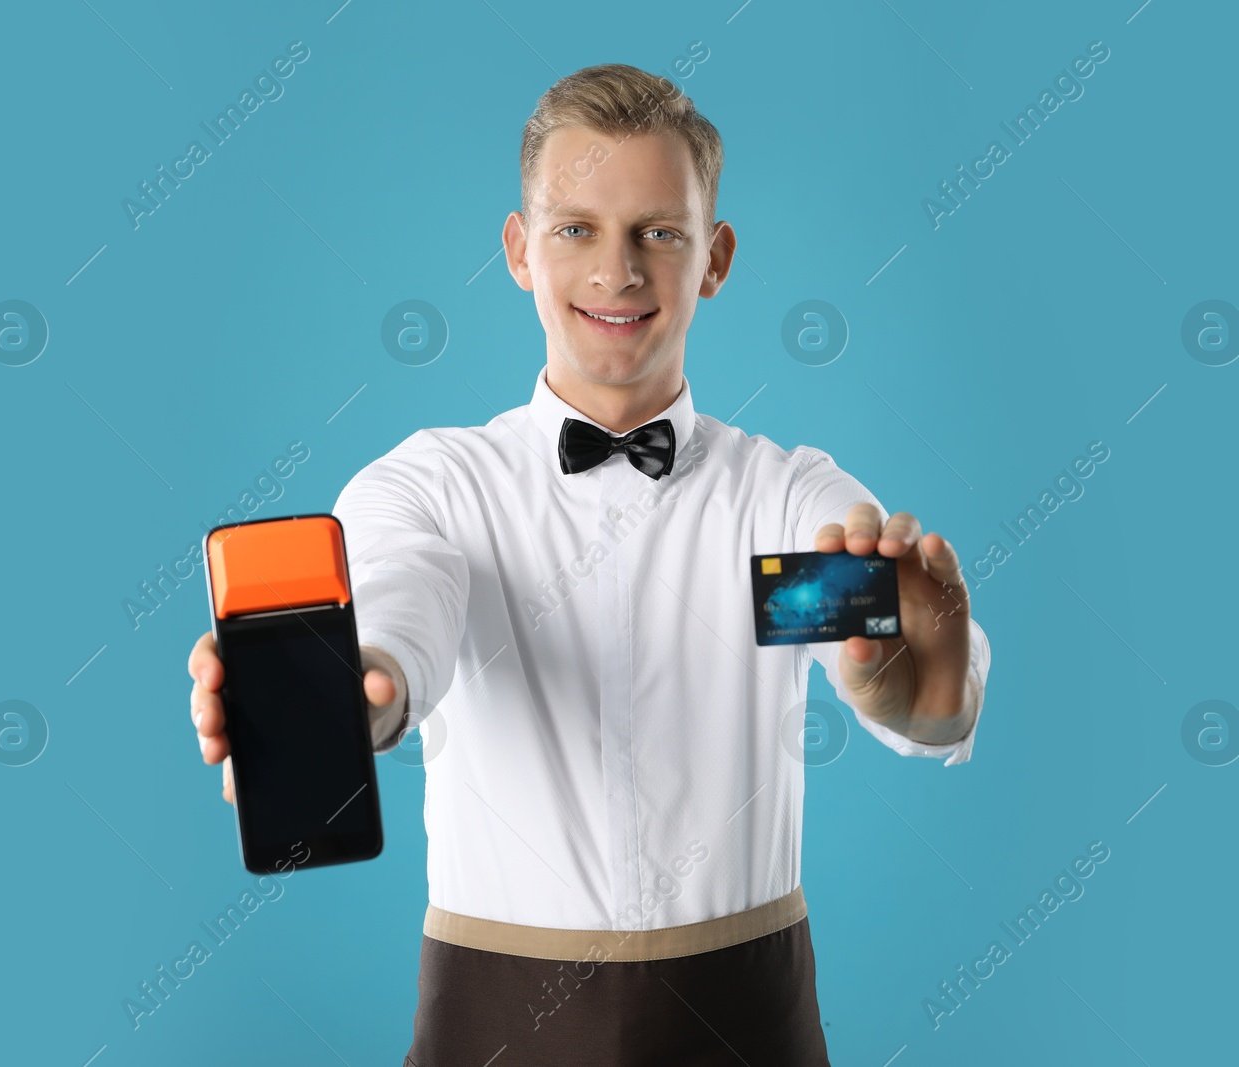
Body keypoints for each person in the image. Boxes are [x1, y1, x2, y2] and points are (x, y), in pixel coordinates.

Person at [186, 63, 990, 1066]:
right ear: (520, 251)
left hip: (748, 1022)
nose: (618, 270)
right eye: (576, 228)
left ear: (714, 258)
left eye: (658, 231)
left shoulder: (787, 499)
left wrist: (915, 667)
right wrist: (364, 688)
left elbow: (893, 673)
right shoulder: (433, 484)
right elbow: (406, 595)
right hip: (489, 1023)